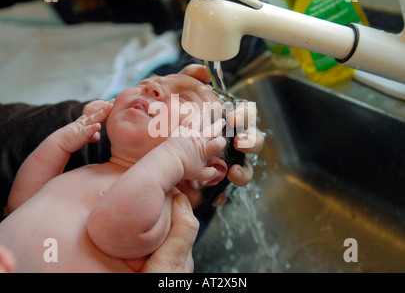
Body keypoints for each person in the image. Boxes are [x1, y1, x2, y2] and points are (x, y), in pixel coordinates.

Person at [0, 69, 258, 272]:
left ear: (208, 169)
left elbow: (110, 224)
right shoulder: (91, 171)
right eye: (149, 81)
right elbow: (22, 202)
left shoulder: (165, 212)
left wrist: (175, 156)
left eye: (186, 98)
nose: (152, 87)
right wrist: (60, 141)